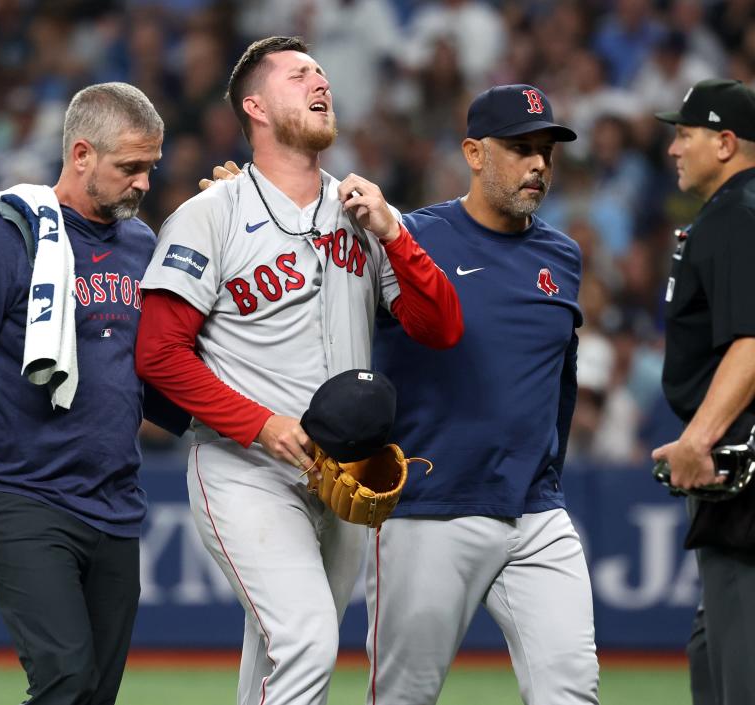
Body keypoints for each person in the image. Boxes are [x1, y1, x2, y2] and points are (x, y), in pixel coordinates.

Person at [134, 36, 463, 705]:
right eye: (297, 74)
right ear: (254, 106)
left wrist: (396, 233)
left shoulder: (361, 211)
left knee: (278, 656)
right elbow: (158, 354)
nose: (320, 81)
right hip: (243, 466)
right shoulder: (209, 215)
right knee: (308, 636)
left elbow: (441, 327)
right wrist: (260, 425)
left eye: (321, 72)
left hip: (342, 471)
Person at [0, 82, 167, 704]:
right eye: (129, 167)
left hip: (112, 497)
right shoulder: (4, 238)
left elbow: (159, 373)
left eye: (150, 169)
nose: (143, 184)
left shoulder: (141, 245)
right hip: (18, 493)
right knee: (65, 677)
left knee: (93, 694)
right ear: (81, 154)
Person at [367, 85, 599, 704]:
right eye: (521, 148)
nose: (539, 165)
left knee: (571, 691)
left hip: (536, 510)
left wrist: (547, 468)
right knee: (402, 697)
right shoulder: (407, 238)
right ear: (474, 152)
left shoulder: (562, 255)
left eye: (546, 151)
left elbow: (560, 378)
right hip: (430, 505)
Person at [651, 78, 755, 705]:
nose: (673, 149)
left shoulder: (737, 216)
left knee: (739, 665)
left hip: (742, 467)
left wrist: (701, 435)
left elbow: (750, 341)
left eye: (684, 135)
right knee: (711, 650)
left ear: (723, 141)